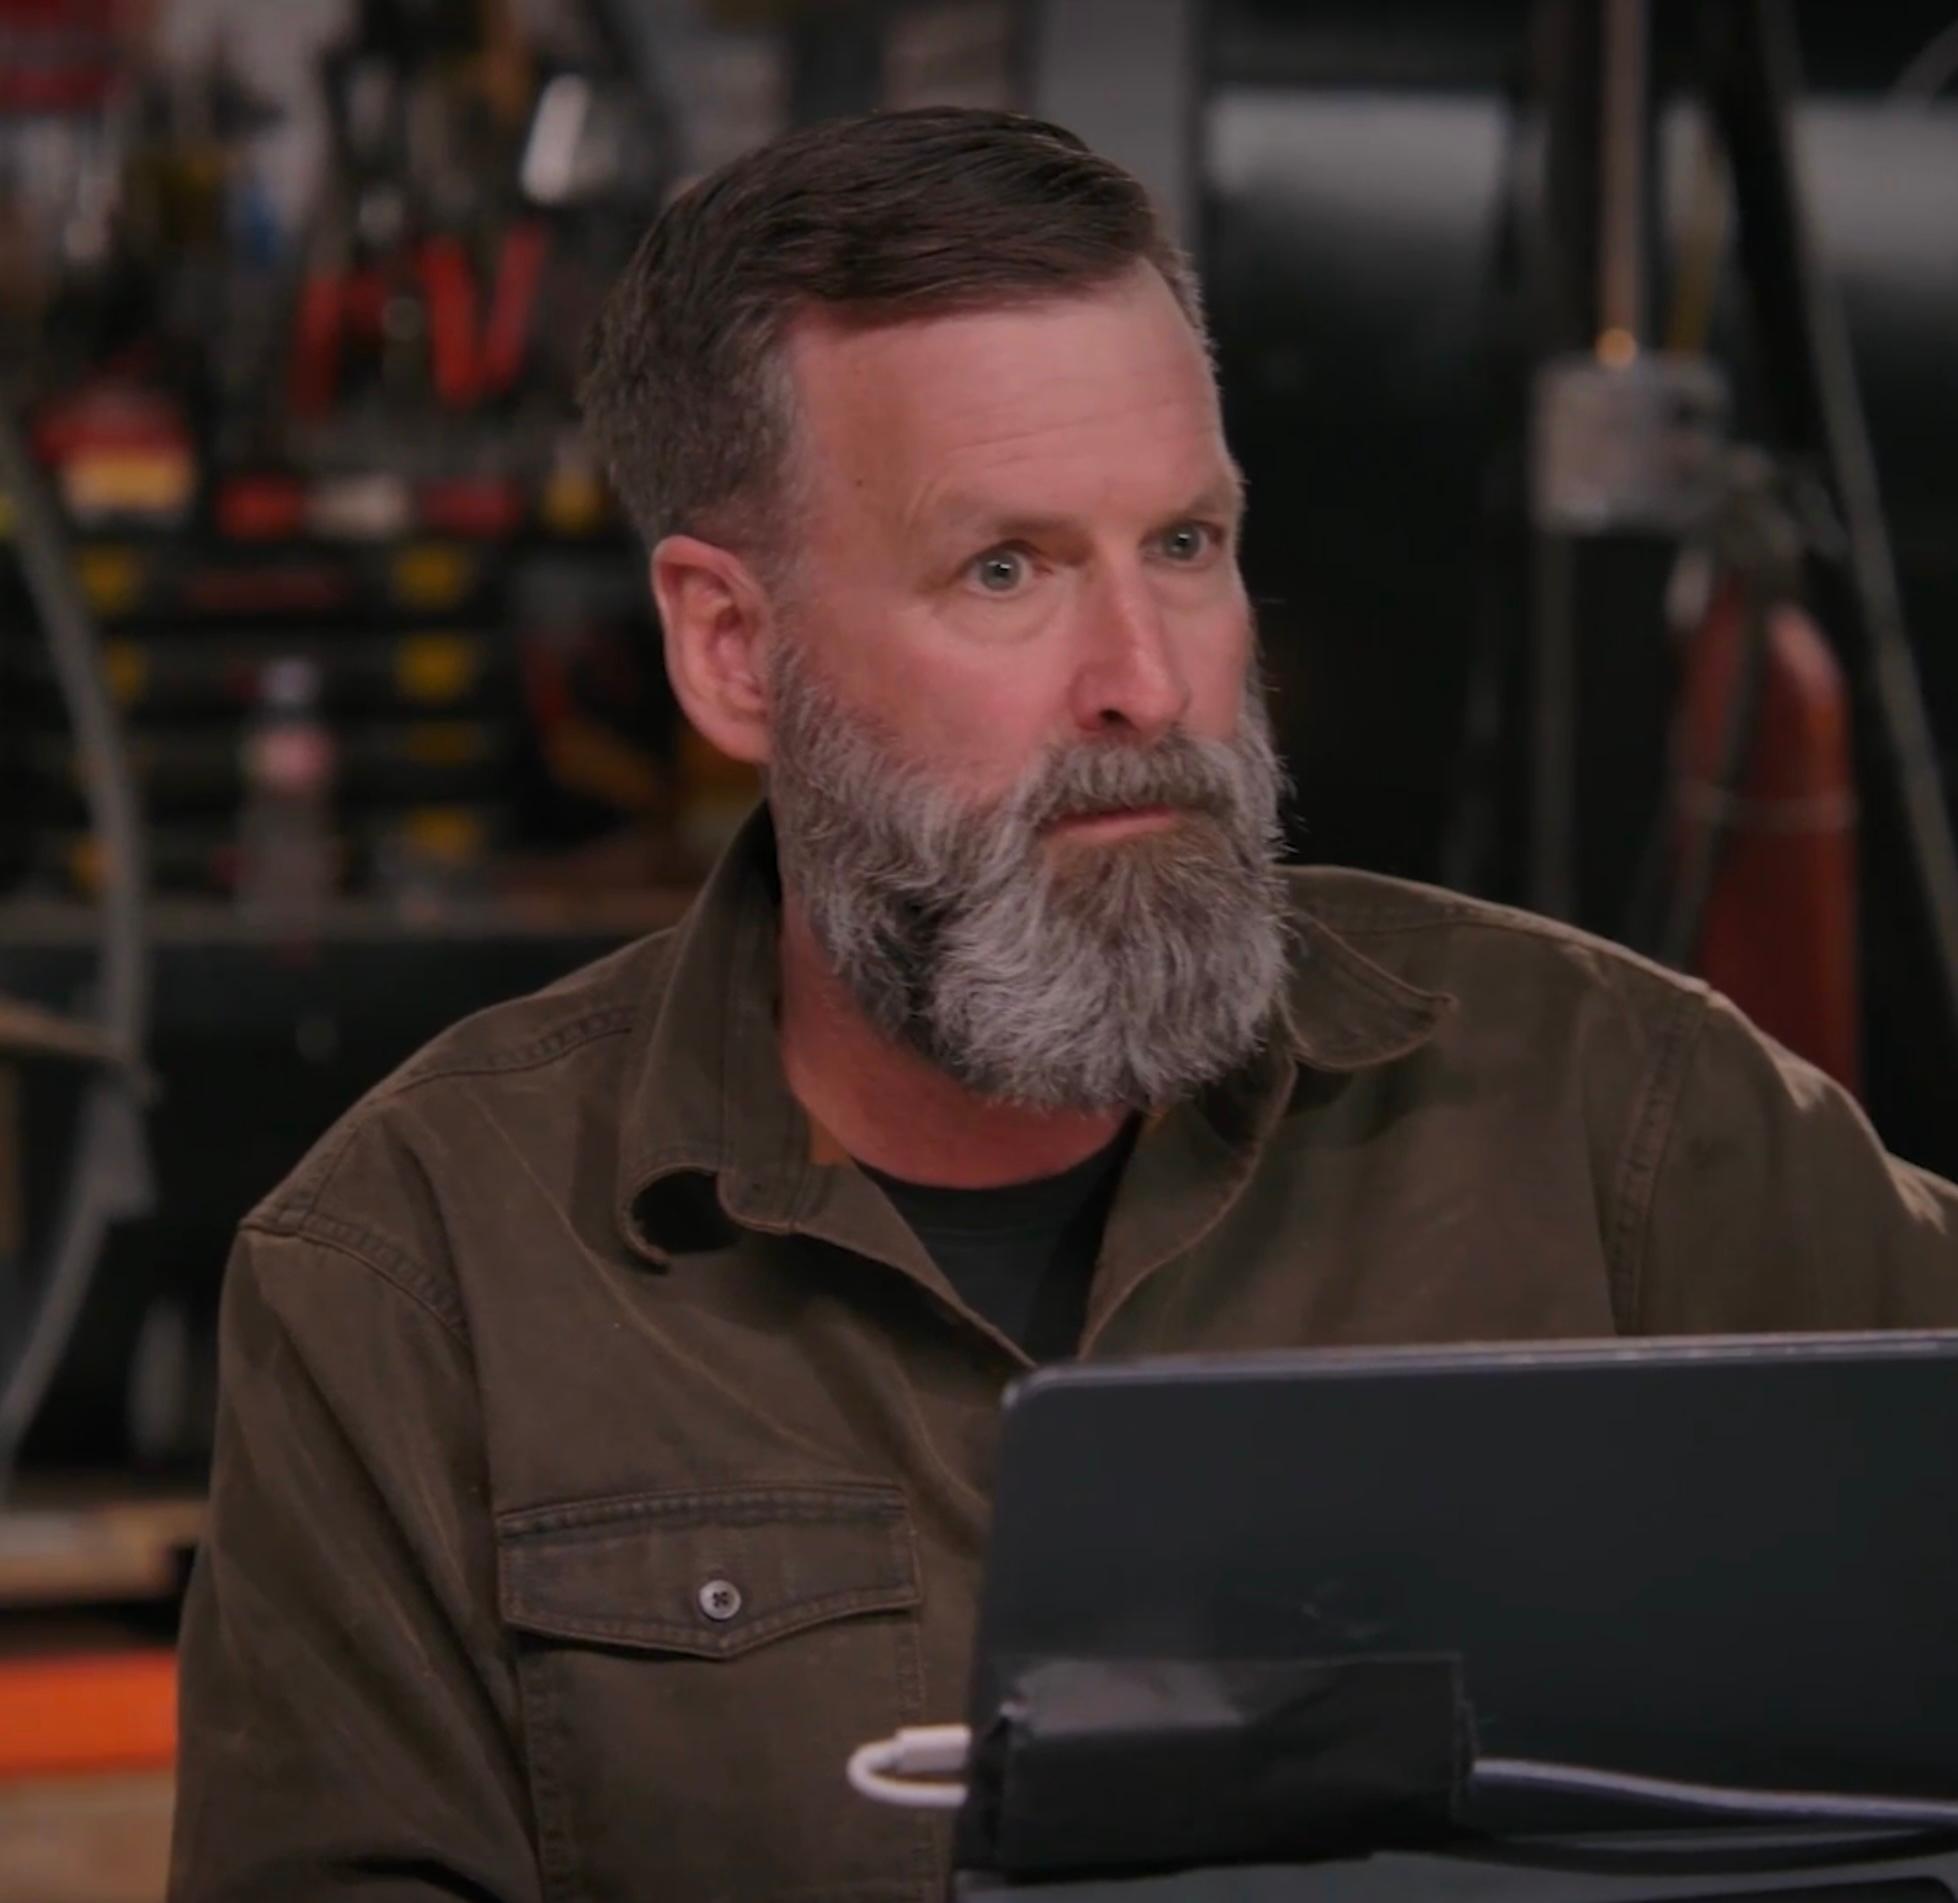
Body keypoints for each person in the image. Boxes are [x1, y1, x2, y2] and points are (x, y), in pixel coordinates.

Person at [170, 106, 1958, 1901]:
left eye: (1181, 544)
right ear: (732, 649)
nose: (1144, 684)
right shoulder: (420, 1279)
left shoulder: (1620, 1124)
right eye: (1004, 570)